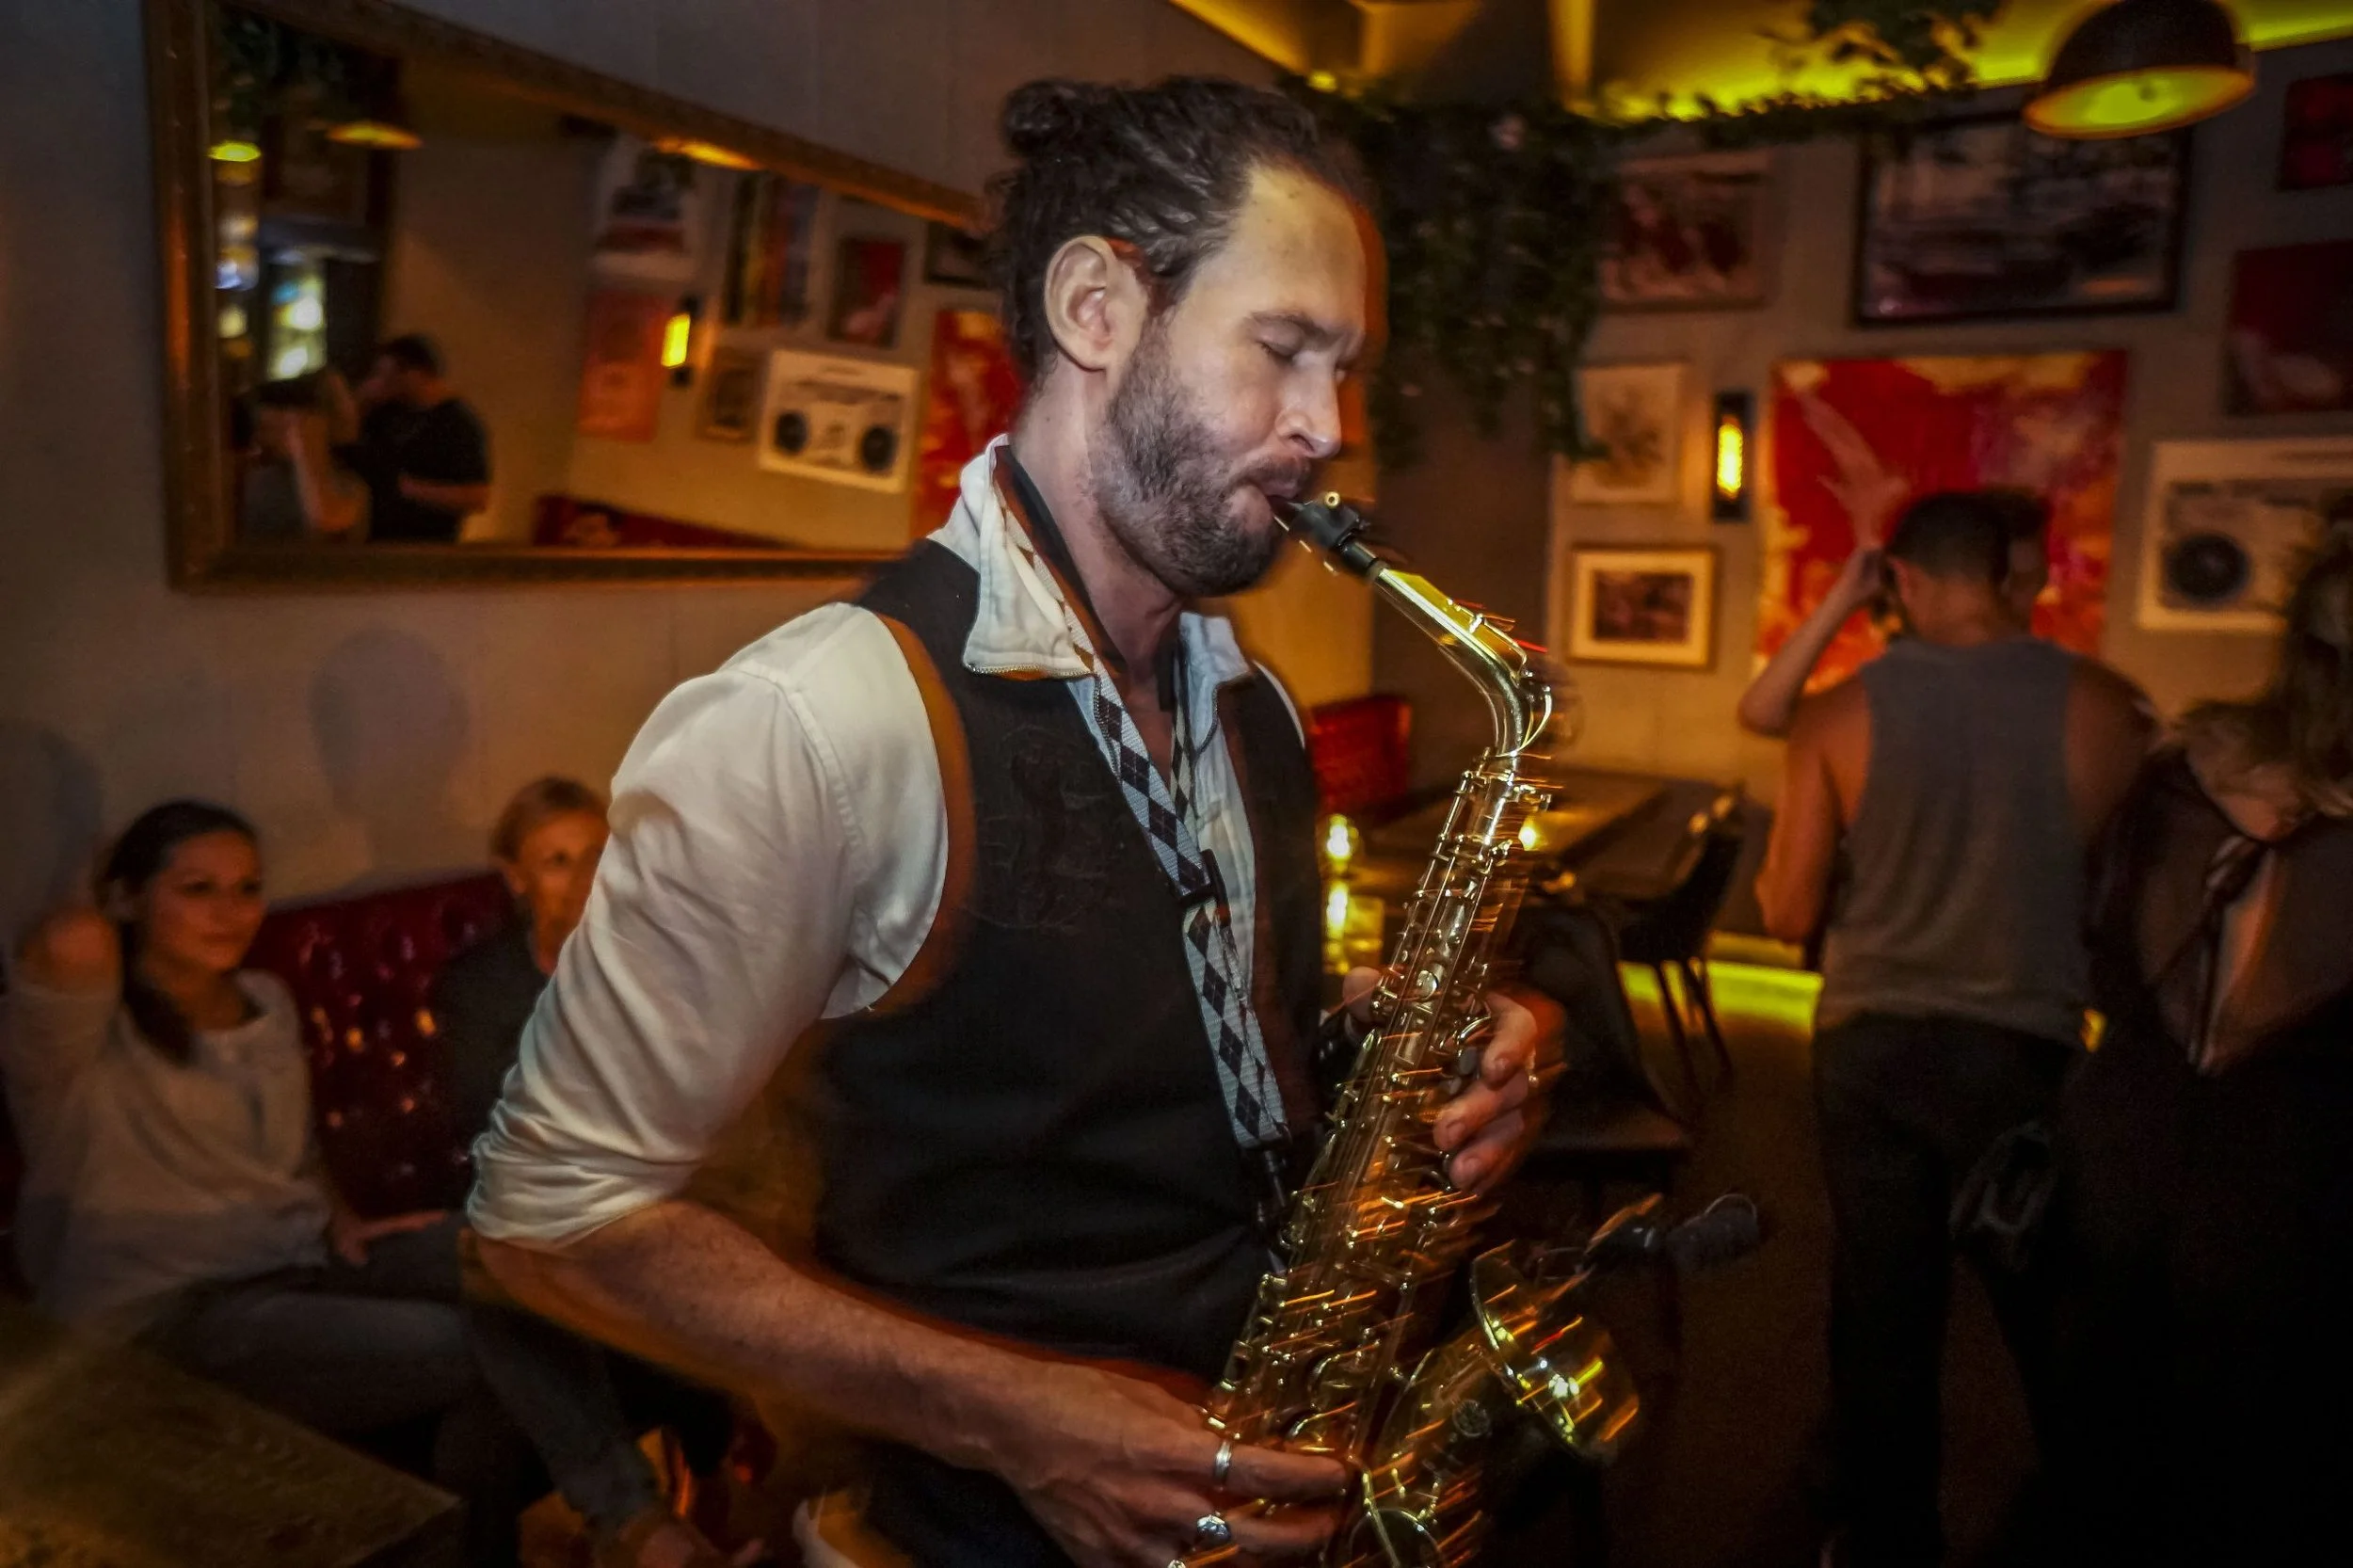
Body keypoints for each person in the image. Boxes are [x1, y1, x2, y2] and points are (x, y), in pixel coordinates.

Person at [468, 76, 1565, 1568]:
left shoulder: (1254, 707)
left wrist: (1422, 1039)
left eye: (1347, 368)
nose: (1329, 426)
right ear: (1098, 307)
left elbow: (1171, 1039)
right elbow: (544, 1216)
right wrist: (1020, 1420)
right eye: (1287, 352)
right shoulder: (814, 721)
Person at [1752, 492, 2153, 1567]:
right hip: (2025, 1049)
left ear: (1908, 582)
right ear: (2005, 575)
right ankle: (2085, 1518)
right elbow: (2130, 906)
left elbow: (1785, 912)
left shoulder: (1838, 715)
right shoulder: (2109, 706)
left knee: (1885, 1309)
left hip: (1871, 1048)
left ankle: (1892, 1542)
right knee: (2046, 1308)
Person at [1, 802, 505, 1554]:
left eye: (246, 889)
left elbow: (294, 1151)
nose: (230, 912)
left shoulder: (265, 1000)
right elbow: (67, 943)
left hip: (299, 1257)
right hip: (167, 1315)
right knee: (464, 1346)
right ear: (128, 899)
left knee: (528, 1255)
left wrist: (344, 1217)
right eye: (197, 889)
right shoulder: (85, 1037)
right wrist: (106, 886)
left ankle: (501, 1530)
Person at [2047, 536, 2353, 1566]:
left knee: (2103, 1438)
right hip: (2293, 1178)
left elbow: (2097, 948)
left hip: (2130, 1141)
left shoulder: (2194, 767)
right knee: (2252, 1457)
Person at [434, 777, 737, 1568]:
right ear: (516, 877)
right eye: (557, 860)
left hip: (645, 1199)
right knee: (503, 1263)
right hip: (540, 1211)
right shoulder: (479, 986)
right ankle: (640, 1525)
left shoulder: (656, 965)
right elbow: (493, 1125)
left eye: (599, 853)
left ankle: (675, 1511)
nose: (585, 876)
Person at [1737, 395, 2052, 740]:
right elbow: (1762, 714)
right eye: (2008, 583)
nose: (2022, 605)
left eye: (2032, 584)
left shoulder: (2046, 691)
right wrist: (1844, 596)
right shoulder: (1900, 687)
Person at [332, 334, 491, 543]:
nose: (379, 381)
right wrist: (360, 404)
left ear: (415, 374)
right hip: (373, 540)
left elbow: (477, 497)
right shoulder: (387, 412)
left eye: (387, 374)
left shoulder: (458, 424)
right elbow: (343, 448)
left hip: (425, 547)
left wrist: (408, 488)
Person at [240, 375, 369, 541]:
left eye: (271, 429)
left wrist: (303, 453)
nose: (261, 439)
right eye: (263, 429)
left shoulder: (350, 486)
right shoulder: (261, 482)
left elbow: (327, 530)